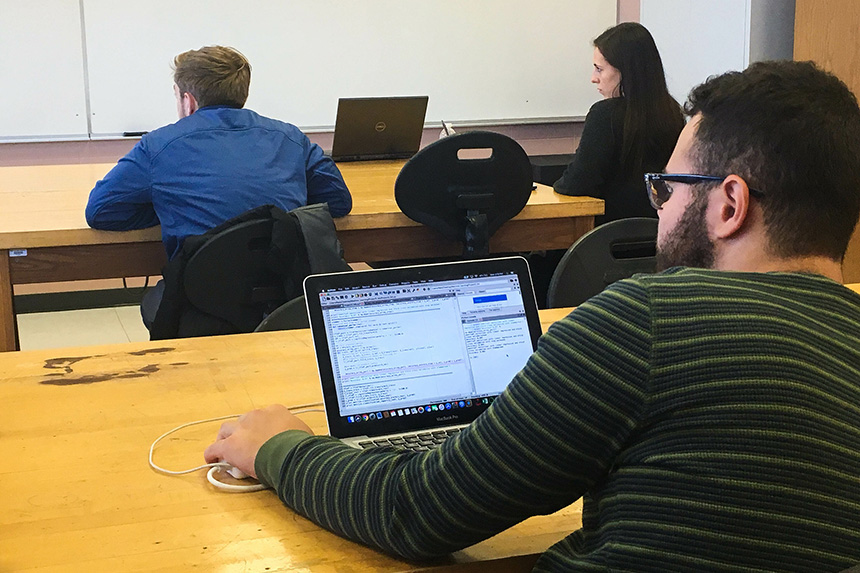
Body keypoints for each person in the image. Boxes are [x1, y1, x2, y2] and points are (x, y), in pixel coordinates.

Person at [204, 60, 860, 571]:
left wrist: (278, 448)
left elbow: (418, 512)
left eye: (667, 188)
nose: (657, 208)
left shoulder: (648, 321)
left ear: (729, 204)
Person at [85, 46, 352, 261]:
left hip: (200, 302)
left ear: (187, 100)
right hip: (287, 297)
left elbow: (100, 211)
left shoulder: (158, 145)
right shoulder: (291, 138)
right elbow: (338, 202)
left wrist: (173, 205)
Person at [553, 22, 684, 224]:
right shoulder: (673, 112)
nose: (593, 78)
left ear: (625, 71)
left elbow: (576, 184)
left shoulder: (604, 115)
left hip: (606, 241)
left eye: (599, 69)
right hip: (657, 237)